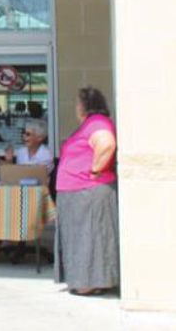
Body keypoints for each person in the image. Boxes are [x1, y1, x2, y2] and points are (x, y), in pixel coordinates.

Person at [55, 86, 119, 296]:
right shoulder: (90, 125)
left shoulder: (98, 123)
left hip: (87, 191)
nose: (76, 107)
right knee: (81, 237)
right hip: (77, 192)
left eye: (77, 103)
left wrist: (95, 169)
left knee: (89, 237)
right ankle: (86, 280)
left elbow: (107, 144)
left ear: (85, 105)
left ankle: (90, 282)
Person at [0, 118, 53, 264]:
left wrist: (17, 170)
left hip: (37, 198)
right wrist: (8, 162)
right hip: (19, 195)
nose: (24, 137)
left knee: (9, 211)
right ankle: (3, 244)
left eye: (28, 134)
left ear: (39, 137)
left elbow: (36, 176)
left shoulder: (45, 154)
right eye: (24, 134)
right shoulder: (21, 152)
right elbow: (17, 175)